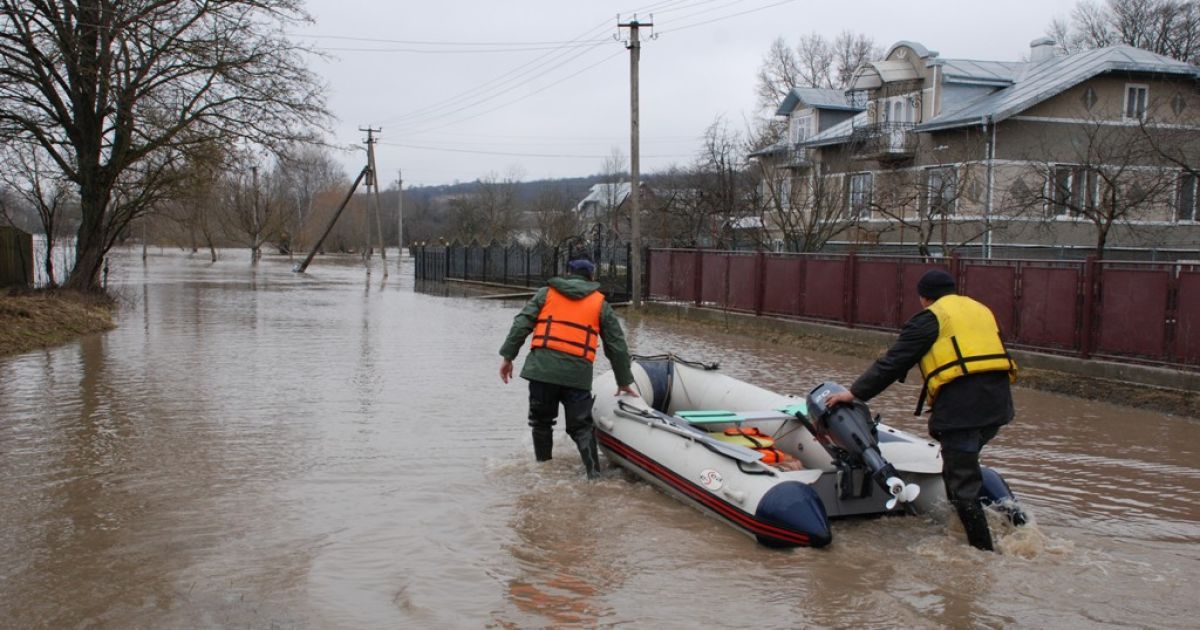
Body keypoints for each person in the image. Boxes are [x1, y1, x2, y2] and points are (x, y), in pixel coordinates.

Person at [824, 268, 1017, 551]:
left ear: (924, 298)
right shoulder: (979, 309)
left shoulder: (931, 318)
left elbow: (893, 363)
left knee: (962, 485)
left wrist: (852, 394)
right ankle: (962, 527)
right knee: (958, 465)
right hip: (998, 407)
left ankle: (982, 554)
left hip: (963, 410)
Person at [499, 255, 637, 479]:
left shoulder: (546, 293)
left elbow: (521, 324)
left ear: (568, 273)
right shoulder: (600, 303)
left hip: (542, 372)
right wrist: (623, 380)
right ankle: (594, 477)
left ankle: (543, 471)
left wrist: (508, 356)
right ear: (592, 276)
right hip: (576, 375)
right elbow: (617, 345)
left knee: (542, 423)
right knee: (581, 427)